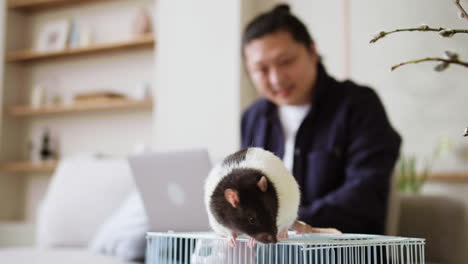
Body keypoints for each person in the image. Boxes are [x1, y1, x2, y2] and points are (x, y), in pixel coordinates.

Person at [241, 4, 401, 235]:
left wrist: (292, 223)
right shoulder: (253, 118)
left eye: (286, 62)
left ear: (312, 51)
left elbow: (367, 192)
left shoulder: (358, 105)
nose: (276, 79)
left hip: (344, 251)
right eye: (262, 70)